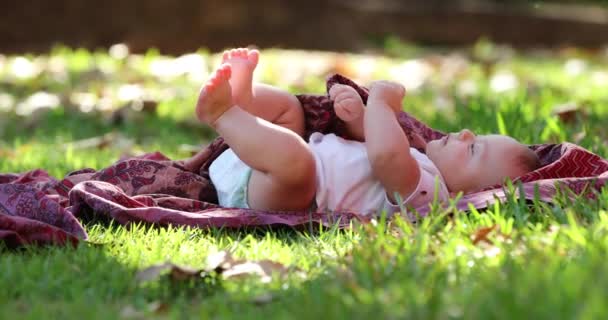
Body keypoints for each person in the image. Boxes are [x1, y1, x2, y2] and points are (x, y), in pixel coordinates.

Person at [195, 48, 540, 215]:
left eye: (474, 149)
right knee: (290, 110)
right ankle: (242, 102)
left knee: (297, 161)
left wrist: (380, 103)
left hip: (278, 193)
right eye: (474, 136)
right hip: (265, 159)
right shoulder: (419, 160)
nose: (465, 134)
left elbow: (384, 155)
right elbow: (368, 145)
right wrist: (358, 117)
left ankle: (223, 114)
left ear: (470, 195)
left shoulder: (430, 194)